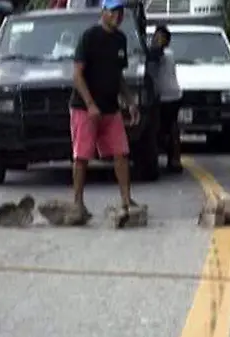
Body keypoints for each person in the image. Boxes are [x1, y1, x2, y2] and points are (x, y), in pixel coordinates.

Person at [70, 0, 141, 222]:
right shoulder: (89, 37)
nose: (118, 16)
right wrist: (90, 104)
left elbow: (118, 77)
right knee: (82, 156)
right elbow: (77, 75)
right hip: (86, 107)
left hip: (111, 107)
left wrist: (130, 102)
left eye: (120, 12)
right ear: (104, 12)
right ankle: (78, 202)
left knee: (121, 153)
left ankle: (126, 198)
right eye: (113, 11)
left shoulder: (120, 39)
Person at [151, 24, 182, 173]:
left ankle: (174, 159)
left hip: (167, 97)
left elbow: (155, 54)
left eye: (160, 38)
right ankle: (173, 159)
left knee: (166, 129)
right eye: (155, 37)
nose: (157, 40)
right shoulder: (166, 53)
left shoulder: (164, 54)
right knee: (170, 128)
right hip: (171, 95)